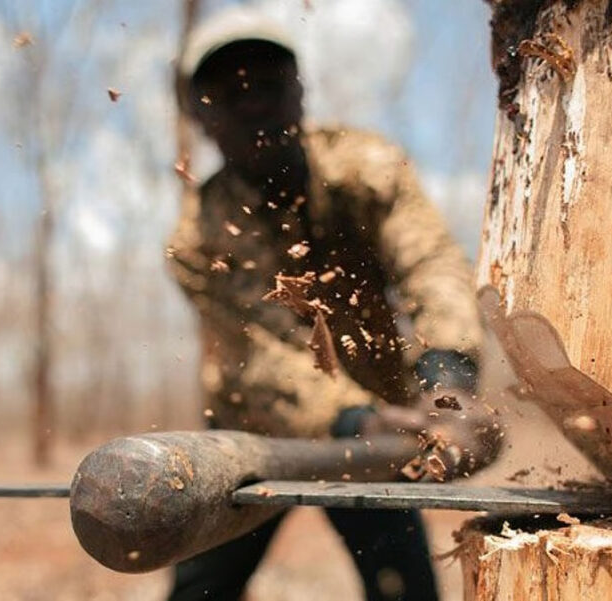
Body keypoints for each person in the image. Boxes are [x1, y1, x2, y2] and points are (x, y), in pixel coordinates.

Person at [165, 8, 501, 601]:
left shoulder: (366, 169)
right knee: (200, 591)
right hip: (255, 437)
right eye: (228, 93)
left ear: (299, 93)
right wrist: (362, 422)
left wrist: (447, 383)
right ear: (200, 114)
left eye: (268, 85)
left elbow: (429, 266)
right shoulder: (196, 240)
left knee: (403, 588)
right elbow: (260, 359)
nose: (253, 105)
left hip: (382, 432)